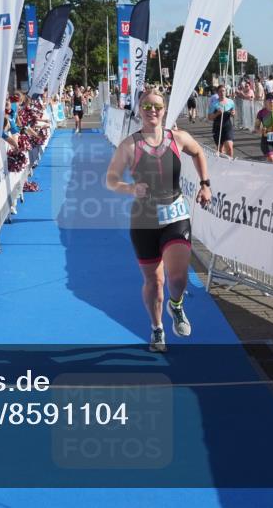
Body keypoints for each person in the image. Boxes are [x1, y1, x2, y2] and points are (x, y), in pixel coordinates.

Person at [105, 87, 212, 353]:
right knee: (155, 283)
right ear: (139, 111)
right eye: (147, 107)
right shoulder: (130, 145)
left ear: (164, 110)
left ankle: (176, 306)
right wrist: (130, 189)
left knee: (177, 279)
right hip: (144, 220)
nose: (152, 111)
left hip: (175, 214)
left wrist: (205, 184)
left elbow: (199, 152)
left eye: (157, 107)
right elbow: (110, 179)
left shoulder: (178, 138)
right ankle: (157, 328)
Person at [207, 84, 236, 157]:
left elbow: (233, 112)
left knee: (230, 147)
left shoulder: (231, 102)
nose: (222, 93)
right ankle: (223, 165)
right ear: (217, 93)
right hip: (217, 128)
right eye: (220, 91)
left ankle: (231, 164)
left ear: (226, 92)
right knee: (220, 150)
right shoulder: (214, 104)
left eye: (223, 91)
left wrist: (233, 113)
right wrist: (217, 113)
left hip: (227, 127)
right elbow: (209, 117)